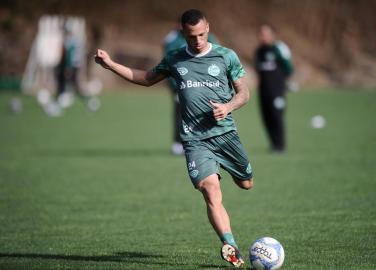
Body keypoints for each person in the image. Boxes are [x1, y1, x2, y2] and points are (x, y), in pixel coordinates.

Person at [95, 9, 253, 268]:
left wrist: (229, 107)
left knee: (247, 183)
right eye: (192, 37)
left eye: (202, 34)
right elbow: (145, 79)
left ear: (208, 28)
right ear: (183, 34)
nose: (198, 40)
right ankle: (230, 245)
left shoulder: (226, 56)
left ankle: (237, 183)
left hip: (226, 135)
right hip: (194, 140)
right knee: (210, 189)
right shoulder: (175, 59)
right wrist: (110, 64)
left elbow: (244, 92)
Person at [163, 22, 218, 155]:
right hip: (181, 86)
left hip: (204, 86)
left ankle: (208, 141)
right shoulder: (173, 40)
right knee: (180, 114)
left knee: (206, 112)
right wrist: (174, 85)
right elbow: (168, 63)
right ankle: (178, 142)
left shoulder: (209, 38)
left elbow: (217, 58)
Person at [255, 24, 293, 153]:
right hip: (263, 91)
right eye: (261, 34)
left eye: (265, 34)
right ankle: (273, 145)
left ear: (272, 34)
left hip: (277, 91)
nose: (263, 37)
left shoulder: (278, 48)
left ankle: (280, 146)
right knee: (266, 117)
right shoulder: (259, 51)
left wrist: (282, 83)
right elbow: (259, 70)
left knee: (277, 116)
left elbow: (288, 68)